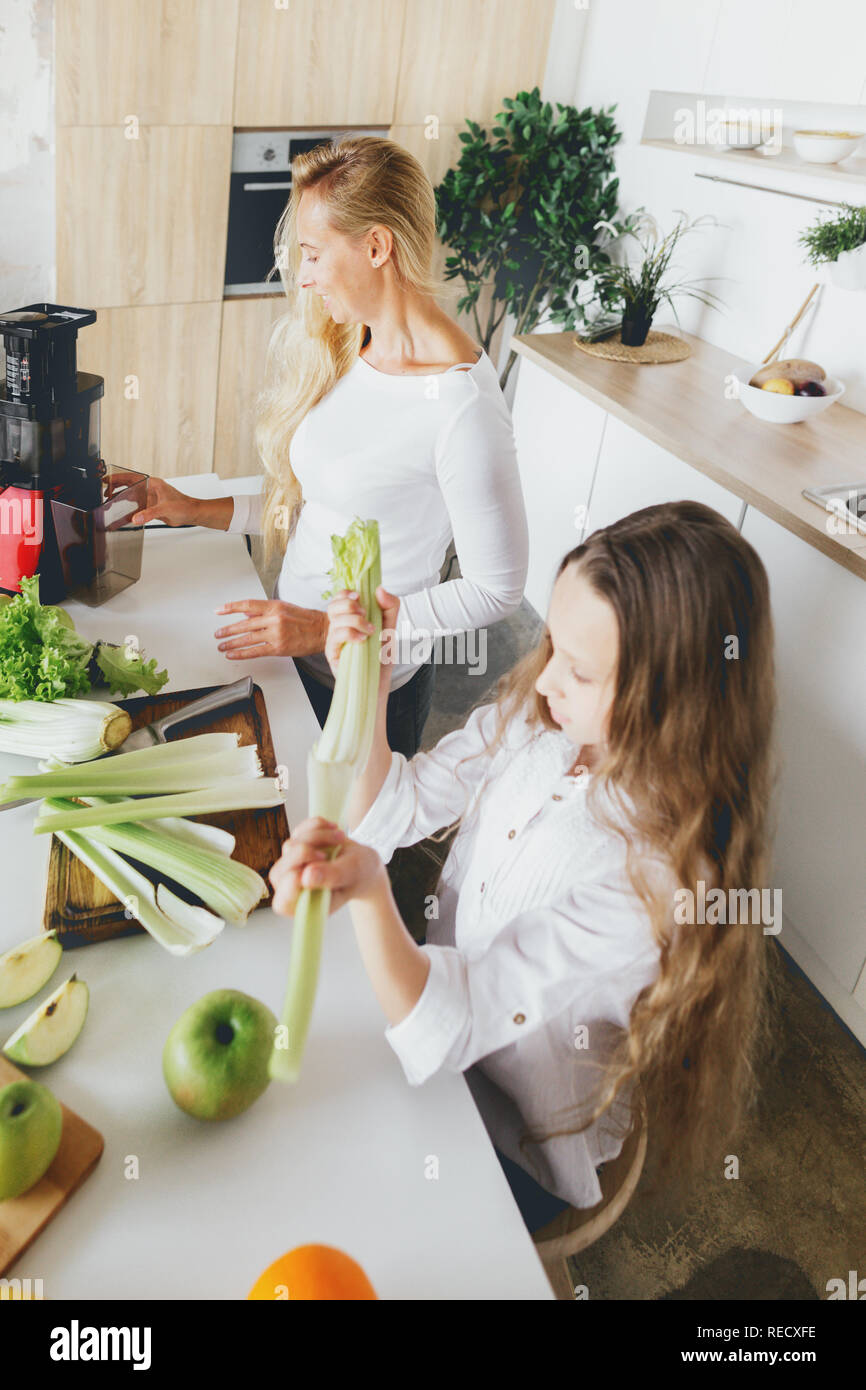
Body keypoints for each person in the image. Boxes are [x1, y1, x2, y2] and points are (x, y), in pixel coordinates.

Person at [268, 500, 781, 1233]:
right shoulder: (544, 727)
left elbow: (458, 1019)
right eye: (550, 645)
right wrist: (371, 686)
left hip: (511, 1140)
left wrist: (373, 891)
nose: (542, 683)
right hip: (423, 1020)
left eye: (577, 670)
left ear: (672, 701)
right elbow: (391, 810)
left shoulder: (657, 880)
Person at [131, 135, 528, 757]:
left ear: (376, 246)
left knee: (350, 848)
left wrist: (325, 630)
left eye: (314, 254)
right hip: (295, 662)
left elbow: (496, 589)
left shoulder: (462, 406)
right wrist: (198, 509)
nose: (306, 275)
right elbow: (323, 501)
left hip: (369, 693)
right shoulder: (354, 349)